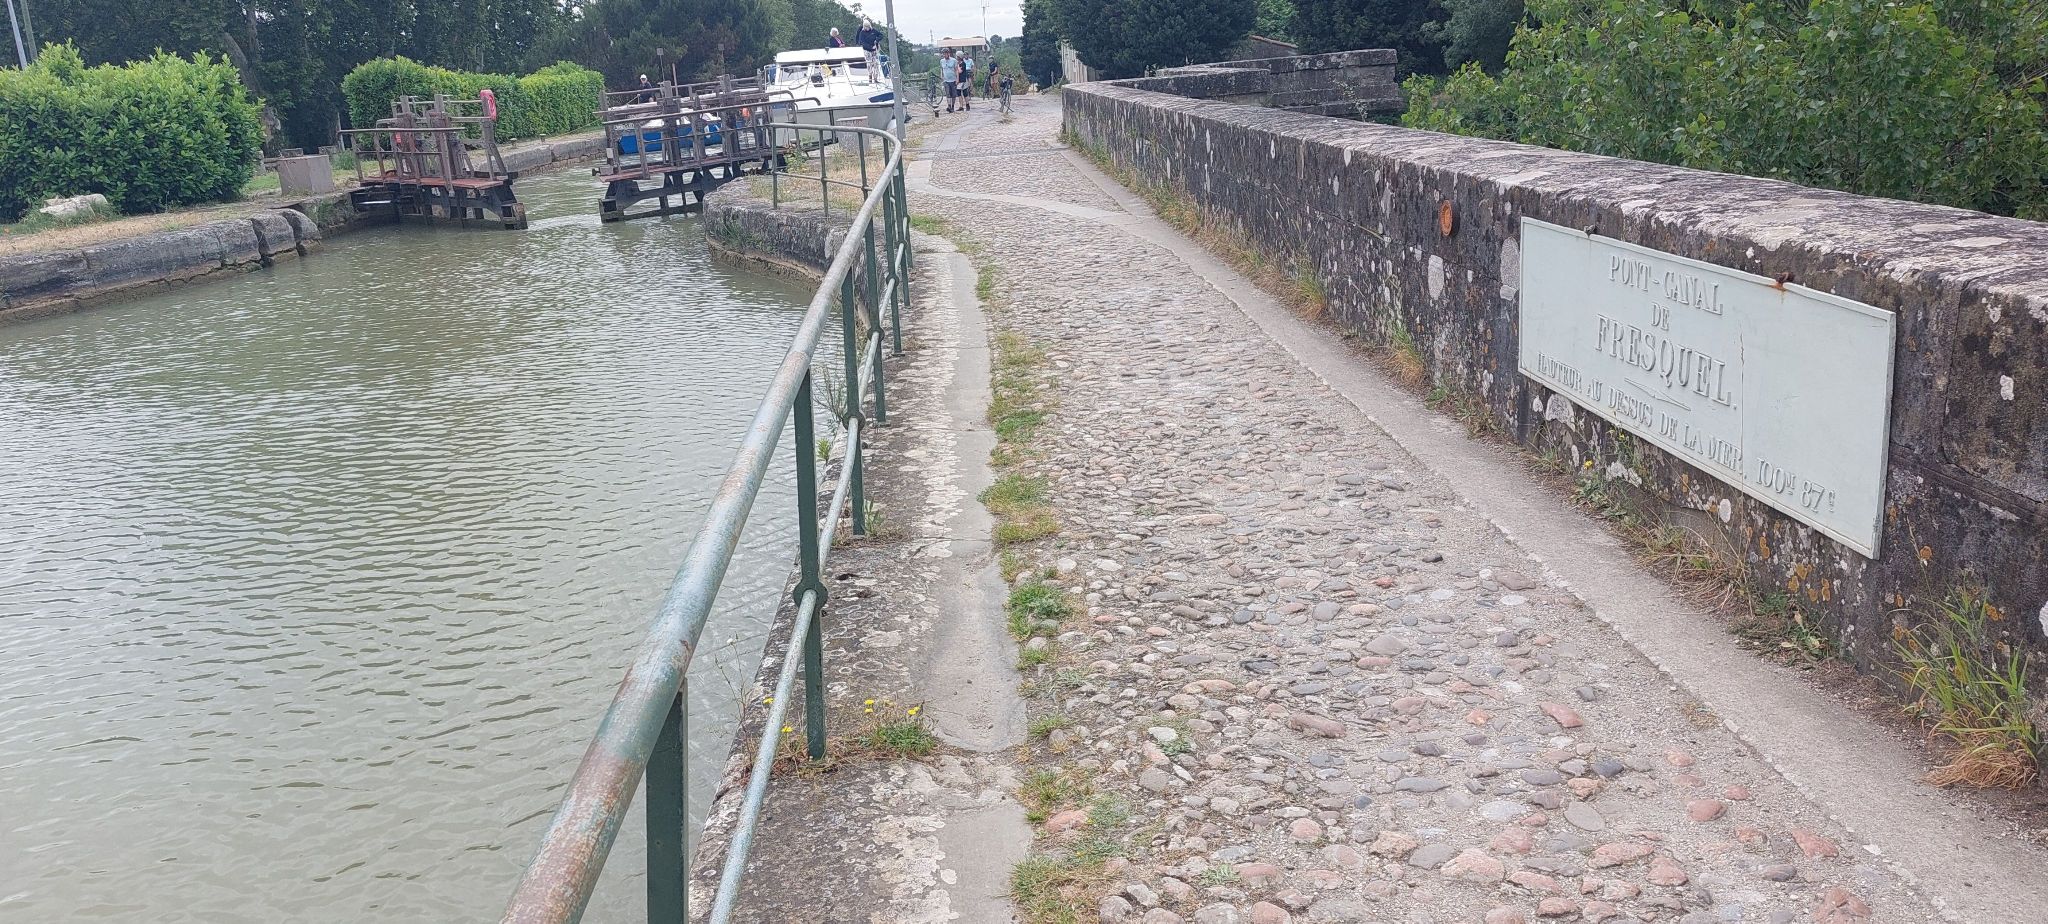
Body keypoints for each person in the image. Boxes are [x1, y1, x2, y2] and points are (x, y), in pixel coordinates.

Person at [939, 49, 960, 113]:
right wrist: (941, 76)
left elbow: (956, 70)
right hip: (946, 80)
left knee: (953, 94)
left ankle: (952, 106)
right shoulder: (942, 61)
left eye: (946, 53)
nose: (944, 55)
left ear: (949, 53)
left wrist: (957, 79)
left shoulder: (954, 60)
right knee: (948, 93)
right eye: (943, 54)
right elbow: (941, 69)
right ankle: (949, 106)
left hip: (953, 80)